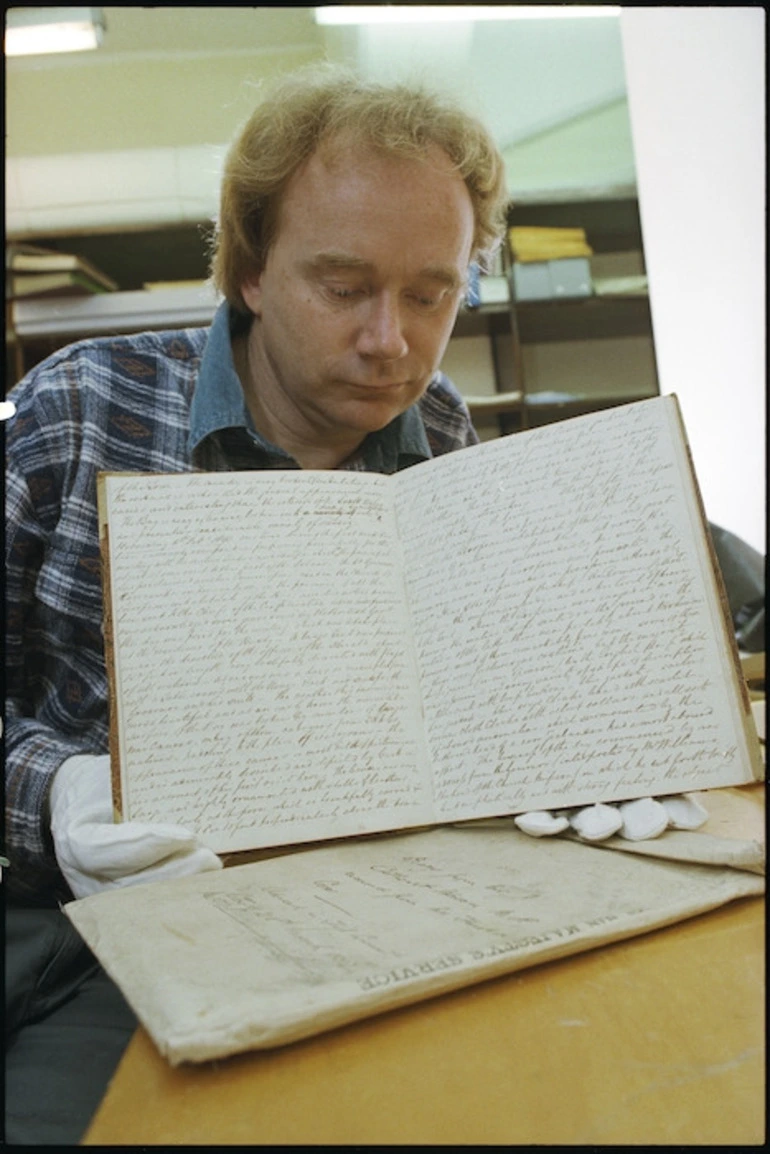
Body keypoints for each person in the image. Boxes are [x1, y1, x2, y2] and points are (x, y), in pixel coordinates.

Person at [4, 64, 508, 1143]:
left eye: (431, 292)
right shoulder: (75, 411)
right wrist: (54, 795)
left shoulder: (448, 430)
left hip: (397, 916)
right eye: (341, 286)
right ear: (249, 272)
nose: (391, 341)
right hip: (108, 944)